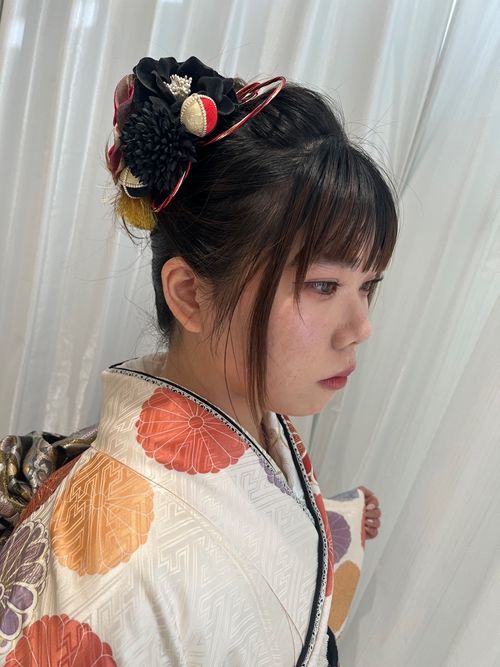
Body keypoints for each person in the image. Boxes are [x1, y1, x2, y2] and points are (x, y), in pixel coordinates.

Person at [0, 55, 394, 666]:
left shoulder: (262, 422)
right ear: (190, 295)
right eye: (323, 286)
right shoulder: (109, 557)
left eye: (367, 286)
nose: (360, 328)